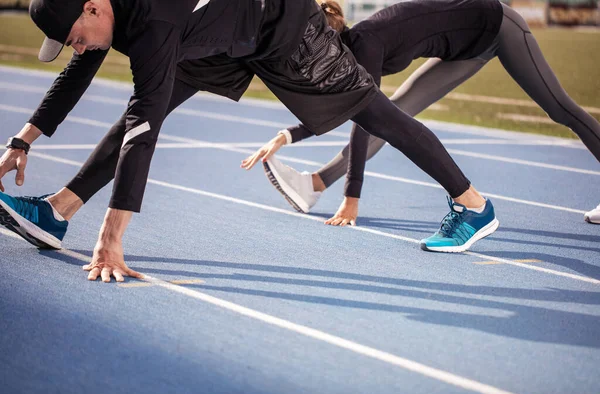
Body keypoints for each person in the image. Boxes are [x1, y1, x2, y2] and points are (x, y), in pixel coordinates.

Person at [0, 0, 501, 285]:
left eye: (75, 35)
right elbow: (77, 71)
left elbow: (143, 130)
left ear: (93, 6)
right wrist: (21, 141)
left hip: (282, 28)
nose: (77, 46)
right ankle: (57, 212)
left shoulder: (152, 23)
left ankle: (472, 204)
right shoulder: (108, 12)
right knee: (142, 108)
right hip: (219, 32)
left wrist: (111, 239)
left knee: (376, 113)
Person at [245, 0, 600, 227]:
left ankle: (319, 184)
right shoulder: (353, 49)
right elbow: (358, 109)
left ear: (330, 41)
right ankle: (315, 184)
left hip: (496, 24)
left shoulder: (365, 45)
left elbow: (359, 116)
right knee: (393, 117)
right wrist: (289, 134)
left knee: (560, 109)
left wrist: (352, 200)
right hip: (465, 50)